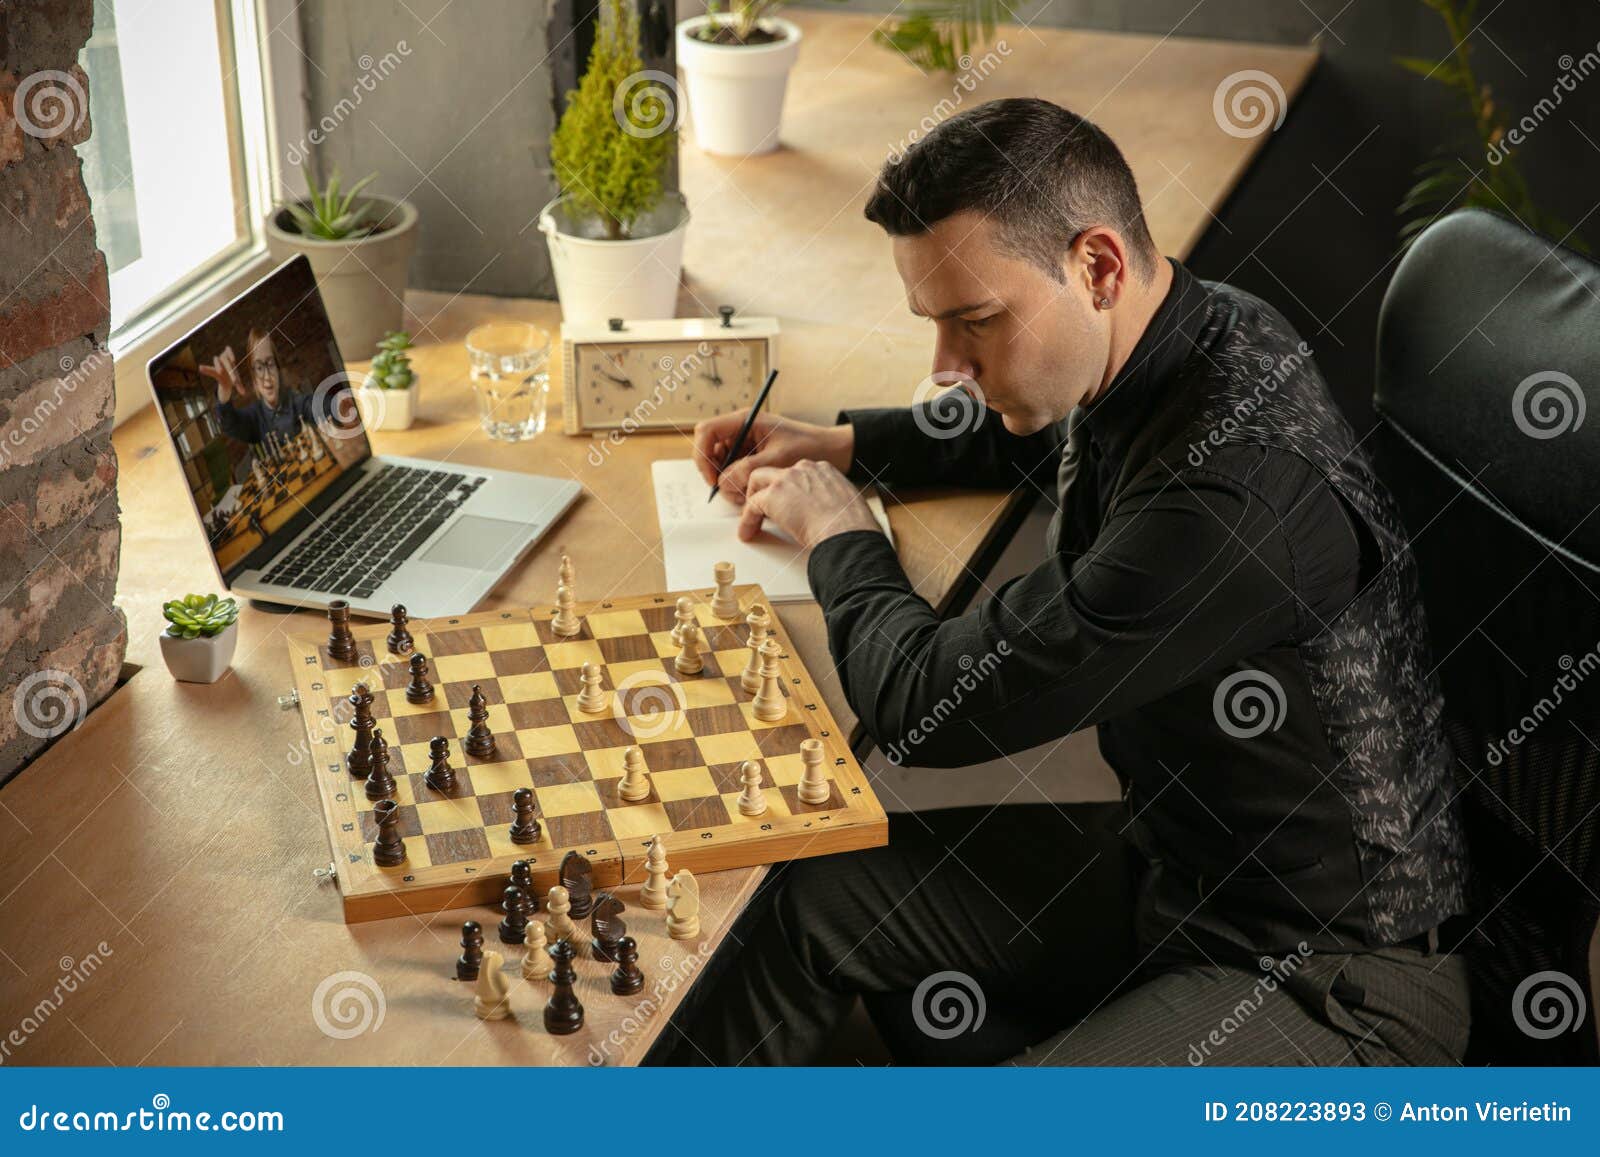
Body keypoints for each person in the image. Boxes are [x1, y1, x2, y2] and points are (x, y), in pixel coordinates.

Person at [675, 98, 1470, 1066]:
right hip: (1173, 867)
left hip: (1323, 976)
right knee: (809, 899)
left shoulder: (1228, 500)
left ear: (1096, 265)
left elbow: (927, 707)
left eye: (974, 321)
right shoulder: (1193, 329)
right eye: (933, 323)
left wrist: (840, 529)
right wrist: (850, 441)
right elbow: (1055, 422)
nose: (947, 367)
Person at [199, 328, 323, 445]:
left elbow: (322, 405)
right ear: (254, 380)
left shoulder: (298, 402)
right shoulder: (254, 418)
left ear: (278, 370)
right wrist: (224, 393)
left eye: (270, 364)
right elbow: (231, 425)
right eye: (259, 368)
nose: (267, 376)